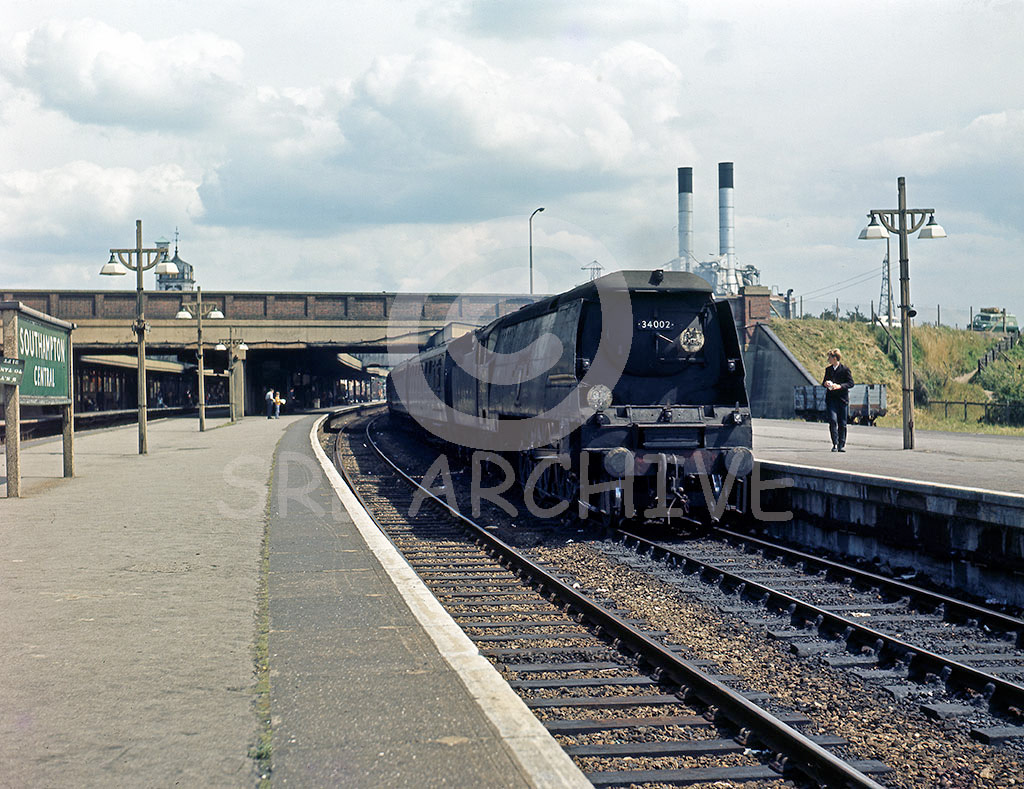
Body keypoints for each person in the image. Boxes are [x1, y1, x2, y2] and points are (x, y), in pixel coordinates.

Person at [822, 348, 854, 452]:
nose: (828, 360)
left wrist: (839, 386)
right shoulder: (828, 370)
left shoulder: (845, 369)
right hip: (831, 399)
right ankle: (835, 443)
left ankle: (842, 444)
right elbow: (823, 382)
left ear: (835, 358)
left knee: (842, 423)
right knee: (832, 420)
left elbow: (851, 383)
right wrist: (826, 383)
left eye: (830, 358)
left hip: (842, 400)